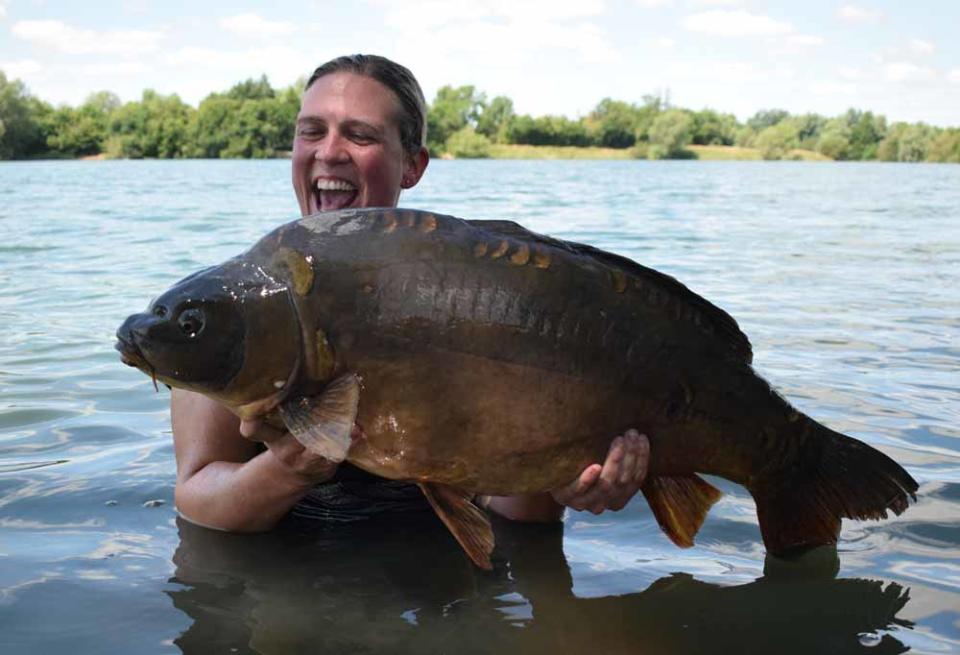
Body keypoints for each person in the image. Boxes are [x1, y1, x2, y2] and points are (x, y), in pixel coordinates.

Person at [170, 54, 651, 533]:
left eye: (360, 135)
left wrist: (562, 477)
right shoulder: (238, 309)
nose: (330, 151)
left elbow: (516, 518)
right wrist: (287, 469)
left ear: (412, 166)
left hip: (439, 585)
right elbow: (196, 497)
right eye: (312, 131)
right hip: (279, 586)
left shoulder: (470, 298)